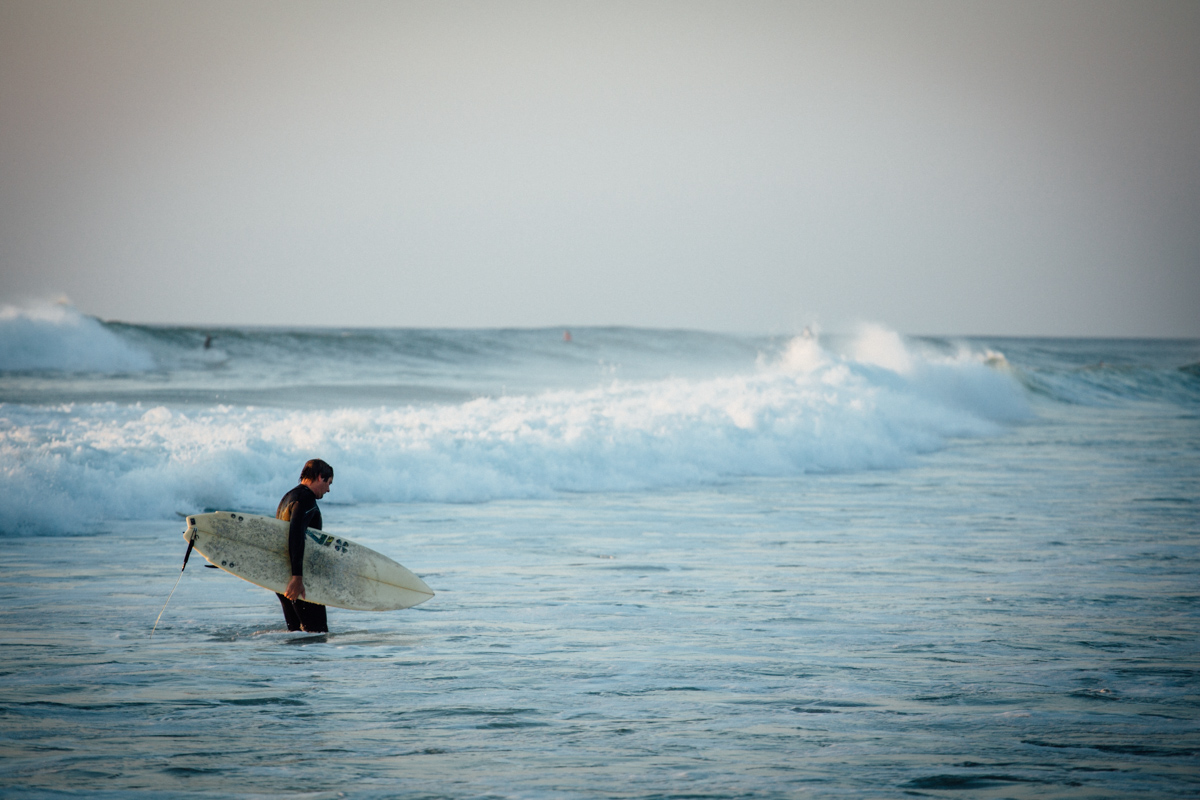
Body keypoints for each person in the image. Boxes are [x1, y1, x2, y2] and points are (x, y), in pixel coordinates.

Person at [275, 459, 334, 632]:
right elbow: (296, 535)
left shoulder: (288, 497)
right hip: (299, 580)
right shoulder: (305, 499)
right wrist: (297, 578)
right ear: (320, 477)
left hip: (282, 577)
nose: (328, 489)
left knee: (296, 635)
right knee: (317, 634)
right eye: (328, 483)